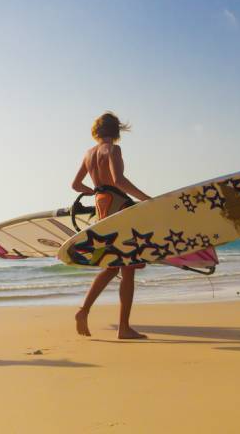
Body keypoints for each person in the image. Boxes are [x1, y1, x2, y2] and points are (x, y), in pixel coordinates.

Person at [71, 112, 151, 339]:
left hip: (102, 207)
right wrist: (147, 200)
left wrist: (96, 191)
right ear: (116, 131)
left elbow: (76, 185)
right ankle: (124, 328)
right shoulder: (113, 150)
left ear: (97, 130)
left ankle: (84, 310)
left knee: (113, 265)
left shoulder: (88, 154)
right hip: (118, 204)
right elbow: (119, 181)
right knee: (129, 267)